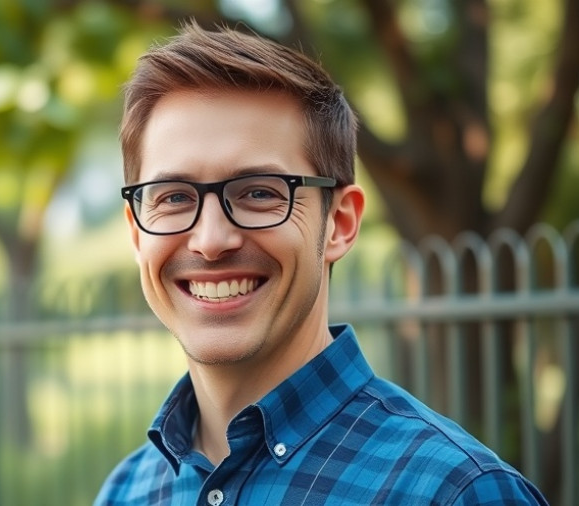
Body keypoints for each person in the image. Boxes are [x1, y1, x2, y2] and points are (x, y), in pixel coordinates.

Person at [95, 21, 547, 505]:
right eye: (174, 197)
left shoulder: (455, 493)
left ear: (340, 222)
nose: (210, 241)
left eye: (259, 193)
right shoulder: (126, 491)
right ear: (136, 229)